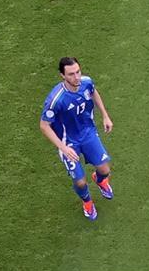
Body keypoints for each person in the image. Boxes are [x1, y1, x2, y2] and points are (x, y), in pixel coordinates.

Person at [39, 57, 114, 220]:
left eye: (78, 72)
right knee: (80, 182)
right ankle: (87, 202)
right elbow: (44, 126)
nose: (77, 77)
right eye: (71, 74)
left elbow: (94, 93)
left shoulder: (86, 82)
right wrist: (63, 148)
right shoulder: (55, 100)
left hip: (88, 134)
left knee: (105, 170)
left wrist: (105, 116)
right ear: (62, 76)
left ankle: (99, 180)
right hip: (68, 143)